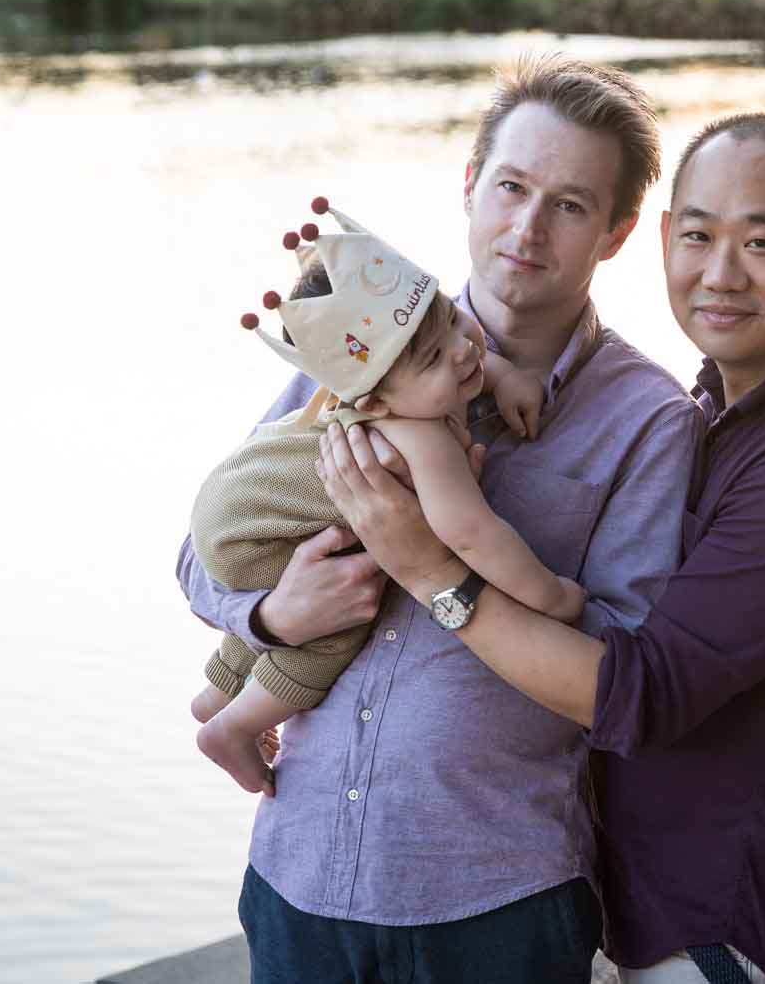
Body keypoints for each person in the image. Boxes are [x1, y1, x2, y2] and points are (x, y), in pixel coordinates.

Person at [321, 112, 765, 984]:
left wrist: (431, 571)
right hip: (669, 915)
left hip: (732, 927)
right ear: (660, 241)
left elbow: (639, 691)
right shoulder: (734, 403)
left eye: (761, 242)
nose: (719, 273)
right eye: (698, 236)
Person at [176, 55, 701, 984]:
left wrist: (433, 569)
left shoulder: (648, 421)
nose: (527, 228)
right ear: (469, 186)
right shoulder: (358, 345)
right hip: (300, 872)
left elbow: (616, 674)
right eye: (511, 186)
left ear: (616, 234)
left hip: (495, 899)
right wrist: (274, 616)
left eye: (571, 205)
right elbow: (204, 554)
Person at [186, 199, 579, 798]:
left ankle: (218, 687)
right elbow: (471, 531)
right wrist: (548, 594)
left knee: (307, 567)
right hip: (245, 526)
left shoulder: (390, 381)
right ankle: (235, 726)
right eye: (431, 356)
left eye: (450, 316)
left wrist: (503, 375)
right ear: (373, 405)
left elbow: (447, 348)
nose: (462, 349)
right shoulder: (420, 437)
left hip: (240, 495)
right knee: (342, 610)